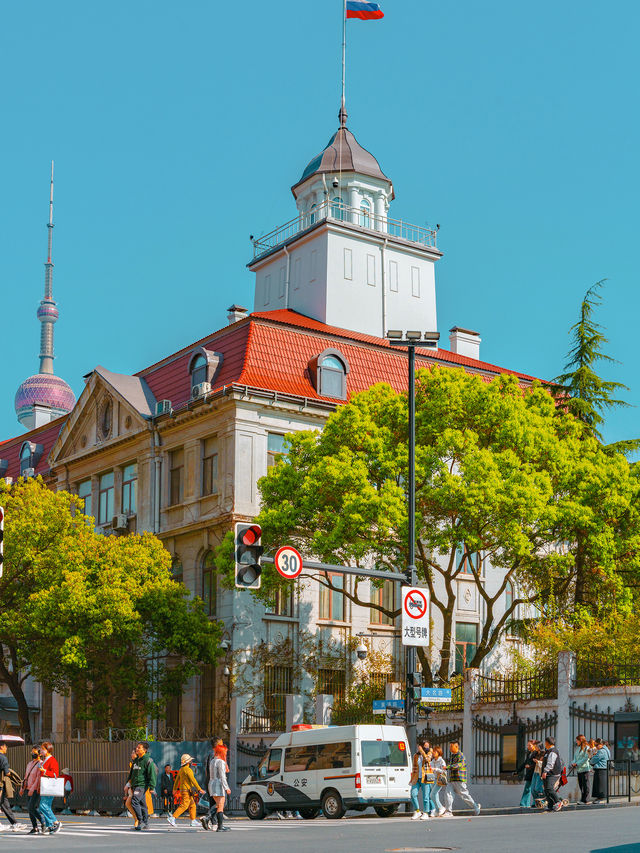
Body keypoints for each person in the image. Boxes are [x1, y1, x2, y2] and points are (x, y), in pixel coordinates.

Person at [440, 742, 481, 816]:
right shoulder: (452, 756)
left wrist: (448, 767)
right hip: (452, 779)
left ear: (456, 747)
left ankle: (475, 806)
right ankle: (449, 811)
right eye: (450, 746)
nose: (450, 748)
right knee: (448, 794)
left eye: (451, 746)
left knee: (464, 795)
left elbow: (459, 765)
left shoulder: (461, 756)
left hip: (459, 779)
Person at [167, 754, 205, 828]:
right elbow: (193, 780)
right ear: (188, 762)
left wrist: (174, 789)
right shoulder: (188, 770)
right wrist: (199, 789)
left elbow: (177, 780)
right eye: (190, 761)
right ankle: (172, 818)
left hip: (183, 789)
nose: (191, 762)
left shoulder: (181, 770)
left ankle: (193, 820)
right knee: (184, 805)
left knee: (192, 805)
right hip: (187, 790)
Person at [127, 741, 157, 831]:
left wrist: (152, 787)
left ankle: (140, 821)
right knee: (143, 804)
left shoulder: (148, 760)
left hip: (142, 785)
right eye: (137, 747)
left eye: (139, 748)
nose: (137, 749)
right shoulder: (136, 761)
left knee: (134, 801)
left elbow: (152, 774)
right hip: (135, 785)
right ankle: (146, 823)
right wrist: (129, 783)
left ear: (144, 750)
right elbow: (132, 774)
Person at [0, 742, 26, 833]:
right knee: (3, 802)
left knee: (4, 803)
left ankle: (14, 823)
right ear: (1, 747)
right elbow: (7, 772)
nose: (6, 748)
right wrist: (12, 775)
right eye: (5, 746)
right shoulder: (3, 758)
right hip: (0, 784)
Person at [205, 742, 231, 832]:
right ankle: (216, 823)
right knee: (220, 805)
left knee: (218, 805)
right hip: (218, 784)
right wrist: (226, 787)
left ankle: (217, 824)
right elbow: (222, 776)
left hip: (211, 784)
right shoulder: (221, 762)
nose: (226, 754)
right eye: (225, 752)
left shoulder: (212, 761)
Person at [38, 741, 62, 833]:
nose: (41, 750)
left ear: (47, 750)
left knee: (43, 806)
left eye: (42, 749)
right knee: (46, 806)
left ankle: (55, 822)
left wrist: (44, 771)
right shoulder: (45, 760)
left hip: (49, 786)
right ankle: (50, 826)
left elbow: (55, 774)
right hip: (45, 786)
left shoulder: (52, 760)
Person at [20, 747, 45, 835]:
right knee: (30, 808)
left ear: (39, 754)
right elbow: (26, 777)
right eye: (32, 752)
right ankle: (35, 827)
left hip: (35, 789)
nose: (32, 754)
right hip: (27, 788)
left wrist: (32, 789)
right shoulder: (29, 764)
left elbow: (38, 779)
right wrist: (22, 788)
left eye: (34, 752)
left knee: (31, 807)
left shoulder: (41, 764)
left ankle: (43, 821)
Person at [410, 739, 434, 820]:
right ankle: (417, 811)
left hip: (425, 778)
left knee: (426, 797)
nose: (427, 748)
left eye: (428, 746)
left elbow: (428, 760)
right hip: (417, 778)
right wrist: (412, 778)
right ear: (420, 746)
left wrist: (423, 752)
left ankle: (426, 812)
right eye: (425, 746)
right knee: (413, 794)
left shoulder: (429, 753)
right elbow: (414, 767)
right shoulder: (415, 756)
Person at [517, 739, 543, 808]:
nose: (528, 746)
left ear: (534, 746)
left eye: (529, 745)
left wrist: (530, 766)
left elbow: (536, 763)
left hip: (535, 772)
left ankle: (534, 802)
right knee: (529, 788)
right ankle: (525, 803)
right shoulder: (529, 753)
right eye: (527, 745)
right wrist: (518, 771)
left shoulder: (536, 753)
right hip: (530, 773)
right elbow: (525, 762)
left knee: (534, 789)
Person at [541, 736, 563, 812]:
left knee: (549, 788)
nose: (545, 744)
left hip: (552, 773)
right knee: (546, 790)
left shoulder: (553, 751)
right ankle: (550, 804)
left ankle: (558, 802)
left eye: (545, 742)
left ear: (547, 742)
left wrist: (545, 771)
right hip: (548, 774)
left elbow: (551, 763)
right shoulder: (548, 751)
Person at [570, 734, 592, 804]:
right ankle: (582, 799)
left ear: (581, 740)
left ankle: (586, 800)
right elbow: (575, 758)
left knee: (586, 785)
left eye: (577, 740)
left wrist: (577, 763)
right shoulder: (578, 749)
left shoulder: (587, 748)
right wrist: (573, 763)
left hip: (585, 768)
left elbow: (585, 758)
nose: (576, 742)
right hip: (579, 770)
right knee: (581, 785)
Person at [590, 738, 609, 803]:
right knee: (601, 784)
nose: (596, 747)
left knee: (599, 785)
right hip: (604, 768)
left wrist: (591, 759)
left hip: (600, 768)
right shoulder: (606, 749)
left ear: (601, 744)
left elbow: (593, 760)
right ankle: (600, 798)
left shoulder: (601, 751)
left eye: (597, 745)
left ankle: (599, 798)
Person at [430, 746, 447, 817]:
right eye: (433, 751)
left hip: (440, 780)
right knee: (435, 795)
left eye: (435, 752)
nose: (433, 753)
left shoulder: (441, 761)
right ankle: (437, 810)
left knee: (432, 795)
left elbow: (444, 772)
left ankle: (441, 807)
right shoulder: (432, 761)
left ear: (439, 753)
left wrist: (436, 769)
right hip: (433, 780)